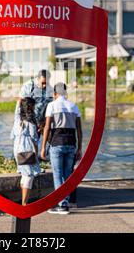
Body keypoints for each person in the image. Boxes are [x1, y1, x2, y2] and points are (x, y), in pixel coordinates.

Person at [40, 83, 83, 215]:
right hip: (71, 144)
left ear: (55, 93)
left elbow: (47, 128)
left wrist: (42, 148)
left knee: (58, 174)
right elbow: (79, 130)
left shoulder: (51, 106)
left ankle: (63, 204)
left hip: (56, 144)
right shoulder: (74, 106)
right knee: (67, 175)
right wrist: (80, 148)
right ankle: (65, 201)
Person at [11, 98, 41, 206]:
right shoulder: (30, 122)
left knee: (24, 174)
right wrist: (37, 153)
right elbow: (35, 139)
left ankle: (23, 201)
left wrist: (18, 102)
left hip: (17, 149)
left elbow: (17, 111)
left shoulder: (17, 120)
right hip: (27, 149)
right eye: (33, 106)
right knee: (29, 175)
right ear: (30, 107)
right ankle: (24, 204)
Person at [19, 70, 54, 135]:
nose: (44, 85)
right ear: (38, 78)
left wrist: (43, 124)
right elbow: (21, 103)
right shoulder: (29, 86)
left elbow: (49, 108)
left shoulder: (50, 89)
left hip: (41, 124)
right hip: (27, 123)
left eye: (46, 83)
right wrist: (20, 121)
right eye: (43, 83)